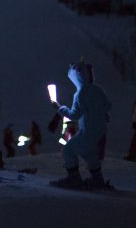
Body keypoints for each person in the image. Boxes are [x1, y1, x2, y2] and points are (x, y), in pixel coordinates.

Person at [50, 61, 112, 189]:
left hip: (87, 131)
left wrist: (59, 107)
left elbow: (74, 115)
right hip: (99, 130)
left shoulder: (80, 93)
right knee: (90, 153)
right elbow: (107, 106)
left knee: (68, 150)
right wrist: (99, 112)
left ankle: (74, 179)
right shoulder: (98, 89)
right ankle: (97, 180)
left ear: (77, 77)